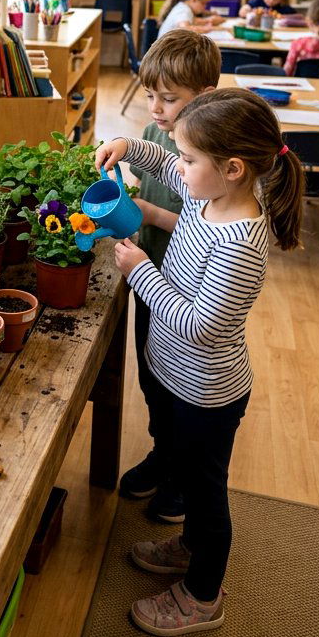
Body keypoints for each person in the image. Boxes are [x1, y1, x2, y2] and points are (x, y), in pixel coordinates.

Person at [96, 90, 304, 636]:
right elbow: (165, 159)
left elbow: (198, 325)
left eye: (190, 160)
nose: (179, 166)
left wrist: (140, 269)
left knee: (204, 494)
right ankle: (189, 548)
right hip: (174, 379)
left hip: (207, 395)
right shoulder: (207, 196)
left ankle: (203, 595)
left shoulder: (240, 240)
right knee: (181, 461)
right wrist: (129, 145)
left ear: (233, 169)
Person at [122, 31, 221, 525]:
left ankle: (182, 478)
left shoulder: (212, 151)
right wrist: (129, 148)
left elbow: (206, 228)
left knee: (180, 389)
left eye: (169, 98)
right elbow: (158, 160)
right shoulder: (163, 131)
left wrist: (148, 213)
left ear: (202, 98)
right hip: (153, 275)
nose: (156, 108)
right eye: (150, 95)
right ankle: (164, 453)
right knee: (151, 374)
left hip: (188, 286)